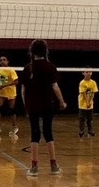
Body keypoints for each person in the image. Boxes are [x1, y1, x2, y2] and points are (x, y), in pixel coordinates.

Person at [20, 39, 66, 176]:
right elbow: (55, 87)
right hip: (47, 105)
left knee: (35, 134)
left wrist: (26, 106)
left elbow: (23, 90)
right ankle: (53, 165)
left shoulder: (28, 68)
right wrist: (62, 102)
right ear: (45, 51)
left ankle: (34, 167)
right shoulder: (49, 66)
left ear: (32, 52)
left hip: (32, 105)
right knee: (48, 133)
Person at [0, 55, 20, 136]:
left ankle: (14, 126)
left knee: (12, 110)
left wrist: (4, 85)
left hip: (11, 92)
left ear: (8, 61)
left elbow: (16, 81)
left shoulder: (11, 70)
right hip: (1, 92)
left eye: (4, 60)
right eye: (1, 60)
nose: (2, 61)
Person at [78, 69, 98, 138]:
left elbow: (93, 93)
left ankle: (90, 130)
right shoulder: (82, 82)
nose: (88, 73)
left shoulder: (93, 82)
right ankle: (81, 131)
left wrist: (90, 102)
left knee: (90, 119)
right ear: (83, 73)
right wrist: (86, 102)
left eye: (90, 72)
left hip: (90, 104)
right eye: (86, 72)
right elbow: (83, 93)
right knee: (82, 119)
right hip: (82, 104)